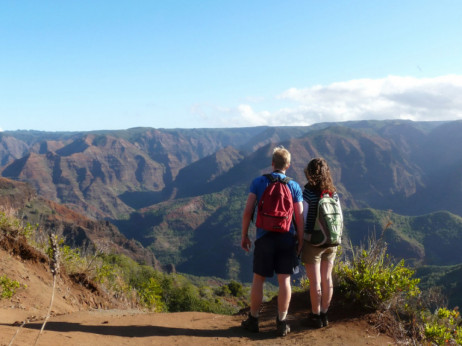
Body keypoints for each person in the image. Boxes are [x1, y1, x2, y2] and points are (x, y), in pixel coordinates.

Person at [240, 145, 304, 337]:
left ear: (272, 163)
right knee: (284, 280)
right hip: (286, 238)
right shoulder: (293, 186)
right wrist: (300, 240)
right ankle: (282, 322)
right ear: (288, 165)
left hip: (264, 237)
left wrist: (244, 235)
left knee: (258, 279)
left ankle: (253, 319)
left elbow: (248, 211)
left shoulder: (259, 182)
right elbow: (299, 217)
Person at [301, 157, 342, 328]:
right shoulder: (333, 193)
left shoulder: (308, 193)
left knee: (315, 282)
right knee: (327, 279)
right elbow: (340, 218)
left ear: (309, 173)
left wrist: (300, 238)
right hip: (332, 241)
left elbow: (302, 218)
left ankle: (315, 315)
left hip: (313, 242)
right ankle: (325, 314)